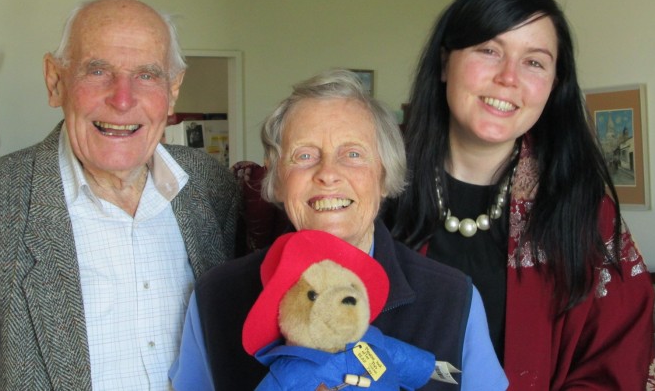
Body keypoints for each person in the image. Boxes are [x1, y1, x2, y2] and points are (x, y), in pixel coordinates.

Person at [386, 0, 655, 389]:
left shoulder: (583, 212)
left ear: (553, 84)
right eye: (489, 50)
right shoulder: (371, 185)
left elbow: (620, 364)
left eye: (534, 61)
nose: (508, 77)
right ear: (445, 63)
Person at [0, 0, 241, 390]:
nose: (123, 99)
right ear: (55, 81)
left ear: (173, 90)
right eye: (97, 71)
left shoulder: (211, 186)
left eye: (147, 75)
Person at [169, 69, 508, 391]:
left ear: (384, 175)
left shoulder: (452, 298)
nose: (328, 174)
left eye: (353, 154)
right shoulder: (216, 297)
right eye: (304, 155)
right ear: (277, 178)